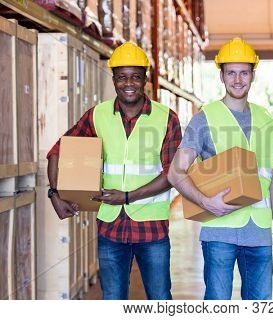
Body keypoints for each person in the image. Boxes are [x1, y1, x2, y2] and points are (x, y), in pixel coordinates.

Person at [47, 42, 181, 300]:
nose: (128, 83)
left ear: (145, 80)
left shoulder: (167, 118)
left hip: (151, 228)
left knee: (160, 299)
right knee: (113, 299)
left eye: (135, 77)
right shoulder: (97, 116)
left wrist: (127, 196)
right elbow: (58, 150)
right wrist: (55, 193)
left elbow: (172, 174)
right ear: (114, 80)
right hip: (110, 227)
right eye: (121, 77)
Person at [168, 37, 273, 300]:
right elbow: (175, 172)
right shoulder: (205, 118)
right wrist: (204, 201)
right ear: (221, 76)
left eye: (244, 73)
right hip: (219, 232)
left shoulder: (266, 119)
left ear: (253, 76)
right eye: (231, 72)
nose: (237, 79)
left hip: (258, 234)